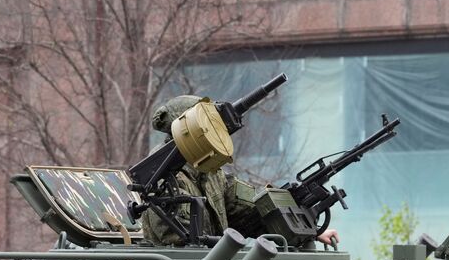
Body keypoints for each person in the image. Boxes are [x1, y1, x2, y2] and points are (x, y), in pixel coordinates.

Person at [141, 95, 339, 249]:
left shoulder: (211, 174)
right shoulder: (162, 181)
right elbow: (184, 246)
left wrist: (302, 221)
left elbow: (254, 208)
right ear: (187, 130)